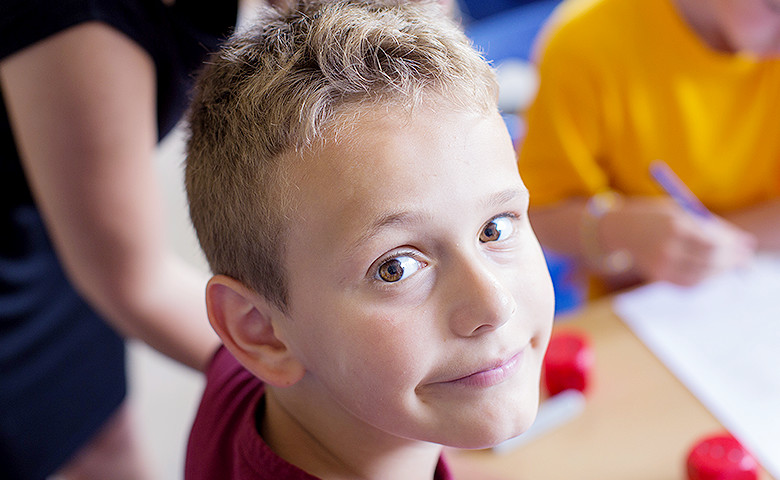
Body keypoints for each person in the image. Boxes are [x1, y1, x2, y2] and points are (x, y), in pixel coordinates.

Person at [182, 0, 555, 478]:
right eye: (394, 267)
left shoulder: (243, 384)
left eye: (494, 228)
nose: (493, 306)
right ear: (258, 329)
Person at [0, 1, 238, 478]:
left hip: (57, 211)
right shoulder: (76, 23)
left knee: (101, 433)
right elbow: (137, 286)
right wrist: (319, 361)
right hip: (21, 261)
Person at [517, 0, 780, 294]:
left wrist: (703, 243)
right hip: (640, 305)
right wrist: (622, 230)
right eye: (775, 8)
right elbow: (539, 212)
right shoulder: (585, 45)